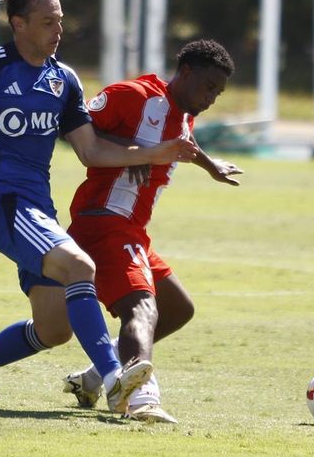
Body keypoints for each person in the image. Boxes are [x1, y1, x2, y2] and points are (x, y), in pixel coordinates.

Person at [0, 0, 196, 413]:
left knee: (54, 329)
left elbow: (91, 151)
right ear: (18, 24)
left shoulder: (64, 80)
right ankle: (115, 380)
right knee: (80, 266)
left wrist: (157, 152)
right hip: (3, 202)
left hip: (38, 208)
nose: (59, 30)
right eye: (48, 22)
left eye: (60, 20)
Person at [59, 40, 243, 424]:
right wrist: (133, 149)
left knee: (178, 308)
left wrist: (211, 166)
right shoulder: (134, 95)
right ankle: (143, 398)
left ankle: (95, 378)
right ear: (186, 72)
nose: (212, 98)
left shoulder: (184, 113)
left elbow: (183, 143)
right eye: (209, 87)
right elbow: (76, 131)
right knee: (142, 308)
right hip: (103, 221)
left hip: (132, 230)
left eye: (219, 93)